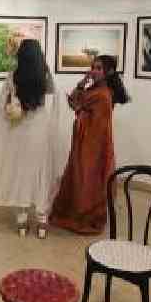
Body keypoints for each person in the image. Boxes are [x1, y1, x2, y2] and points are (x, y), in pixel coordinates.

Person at [49, 55, 130, 235]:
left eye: (98, 68)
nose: (93, 70)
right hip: (87, 140)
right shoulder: (97, 88)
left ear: (108, 71)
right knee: (82, 175)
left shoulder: (102, 94)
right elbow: (75, 103)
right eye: (93, 66)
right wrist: (82, 84)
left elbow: (74, 102)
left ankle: (86, 214)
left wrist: (79, 90)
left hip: (93, 143)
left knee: (87, 177)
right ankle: (79, 210)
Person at [0, 39, 60, 238]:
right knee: (41, 172)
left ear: (20, 54)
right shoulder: (45, 75)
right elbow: (53, 93)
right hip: (40, 130)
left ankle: (22, 223)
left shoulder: (13, 76)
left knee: (19, 173)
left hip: (19, 130)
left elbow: (3, 105)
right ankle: (42, 222)